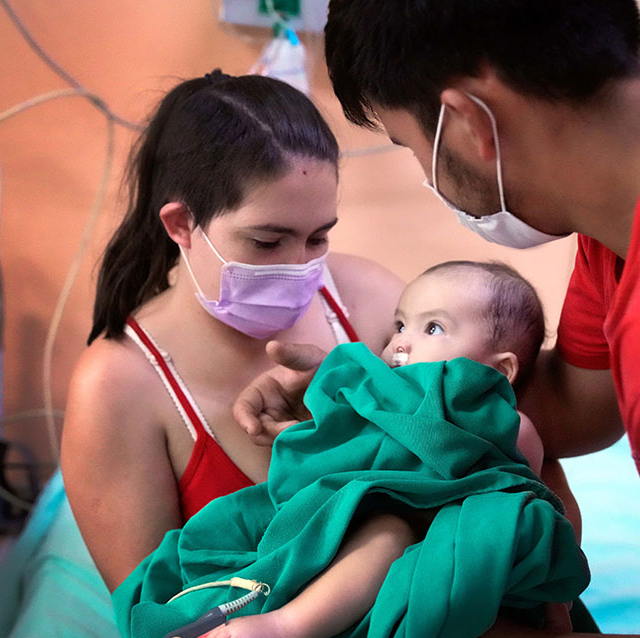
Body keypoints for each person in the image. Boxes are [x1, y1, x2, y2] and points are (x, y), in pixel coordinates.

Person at [234, 1, 640, 638]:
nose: (425, 172)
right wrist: (381, 395)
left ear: (473, 121)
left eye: (409, 144)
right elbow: (571, 403)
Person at [117, 260, 588, 638]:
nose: (402, 343)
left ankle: (289, 632)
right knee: (380, 532)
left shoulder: (512, 425)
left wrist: (551, 595)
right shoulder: (371, 387)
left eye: (433, 329)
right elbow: (328, 454)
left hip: (436, 536)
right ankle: (284, 626)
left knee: (412, 535)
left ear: (500, 369)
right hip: (357, 517)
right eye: (400, 324)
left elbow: (512, 498)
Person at [60, 70, 404, 595]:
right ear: (180, 225)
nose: (298, 268)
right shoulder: (117, 388)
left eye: (317, 238)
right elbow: (163, 621)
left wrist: (354, 412)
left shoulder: (370, 302)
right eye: (268, 242)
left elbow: (473, 462)